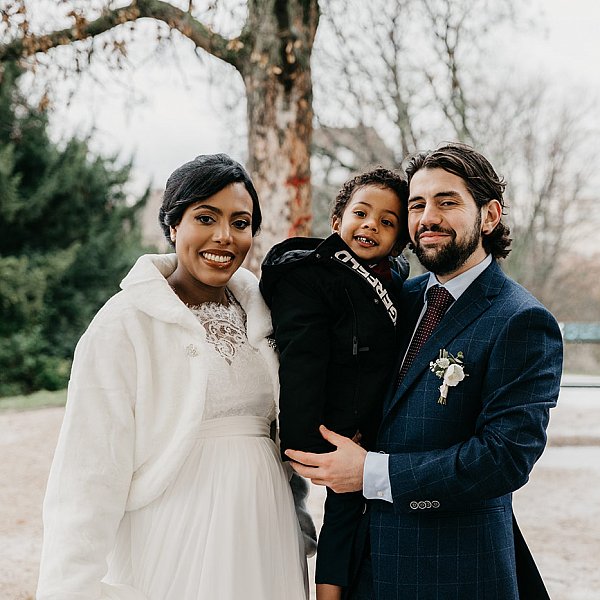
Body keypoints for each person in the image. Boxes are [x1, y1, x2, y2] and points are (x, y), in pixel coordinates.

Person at [286, 143, 563, 600]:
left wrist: (373, 473)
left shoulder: (521, 321)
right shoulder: (396, 299)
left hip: (454, 575)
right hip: (365, 571)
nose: (427, 217)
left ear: (489, 216)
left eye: (447, 202)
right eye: (417, 205)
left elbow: (504, 458)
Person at [37, 153, 312, 600]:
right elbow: (86, 471)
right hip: (175, 538)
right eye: (206, 217)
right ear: (173, 226)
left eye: (241, 223)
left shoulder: (271, 319)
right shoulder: (123, 324)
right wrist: (70, 587)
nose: (224, 236)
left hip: (268, 534)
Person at [260, 167, 410, 600]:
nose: (370, 225)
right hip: (340, 428)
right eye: (361, 213)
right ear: (337, 220)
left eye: (387, 222)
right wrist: (309, 442)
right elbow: (302, 360)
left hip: (383, 423)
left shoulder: (394, 281)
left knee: (363, 519)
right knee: (343, 514)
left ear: (399, 241)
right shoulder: (315, 275)